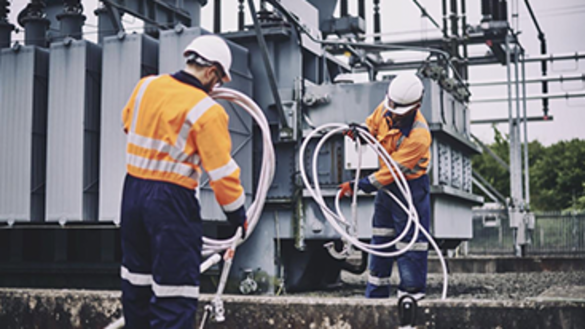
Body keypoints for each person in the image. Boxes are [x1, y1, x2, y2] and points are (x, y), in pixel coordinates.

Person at [119, 35, 247, 329]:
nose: (216, 88)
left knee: (136, 284)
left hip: (132, 192)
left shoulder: (146, 86)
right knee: (174, 294)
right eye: (218, 81)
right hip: (171, 201)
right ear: (212, 72)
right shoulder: (208, 110)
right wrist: (237, 216)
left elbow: (127, 123)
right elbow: (222, 174)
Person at [340, 73, 432, 300]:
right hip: (387, 188)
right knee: (381, 237)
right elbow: (371, 127)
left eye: (398, 111)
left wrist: (358, 185)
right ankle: (376, 296)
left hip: (410, 188)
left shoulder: (419, 135)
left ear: (415, 107)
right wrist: (360, 133)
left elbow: (393, 172)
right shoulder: (386, 108)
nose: (392, 114)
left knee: (410, 243)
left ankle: (410, 298)